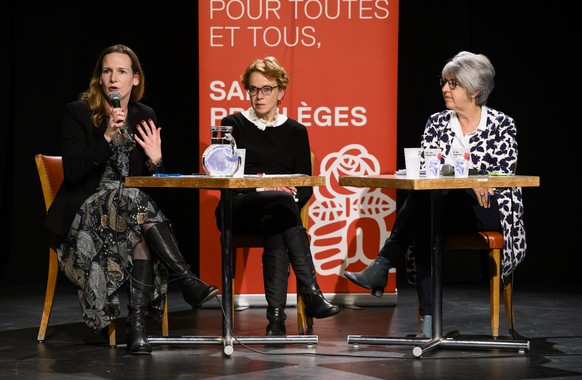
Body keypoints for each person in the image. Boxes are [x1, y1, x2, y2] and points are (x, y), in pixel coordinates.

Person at [45, 44, 218, 355]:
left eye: (121, 71)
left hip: (130, 212)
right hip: (87, 212)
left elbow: (152, 186)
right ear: (99, 79)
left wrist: (156, 161)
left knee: (138, 219)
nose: (114, 78)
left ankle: (136, 327)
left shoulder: (143, 115)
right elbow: (72, 173)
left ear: (135, 79)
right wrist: (107, 137)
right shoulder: (79, 112)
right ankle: (186, 278)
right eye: (107, 71)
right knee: (137, 208)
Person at [344, 51, 526, 338]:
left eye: (453, 84)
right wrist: (469, 180)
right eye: (444, 82)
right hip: (445, 203)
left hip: (492, 207)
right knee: (427, 211)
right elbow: (430, 168)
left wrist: (473, 181)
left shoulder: (502, 124)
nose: (444, 89)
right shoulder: (436, 122)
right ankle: (429, 326)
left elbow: (502, 172)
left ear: (475, 90)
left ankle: (384, 264)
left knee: (427, 205)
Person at [215, 56, 340, 335]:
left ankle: (276, 321)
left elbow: (305, 186)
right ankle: (312, 293)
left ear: (281, 91)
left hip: (277, 213)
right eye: (253, 89)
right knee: (282, 205)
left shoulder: (296, 131)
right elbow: (222, 177)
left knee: (278, 221)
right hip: (239, 208)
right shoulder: (231, 124)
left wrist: (283, 198)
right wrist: (267, 189)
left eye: (266, 89)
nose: (259, 96)